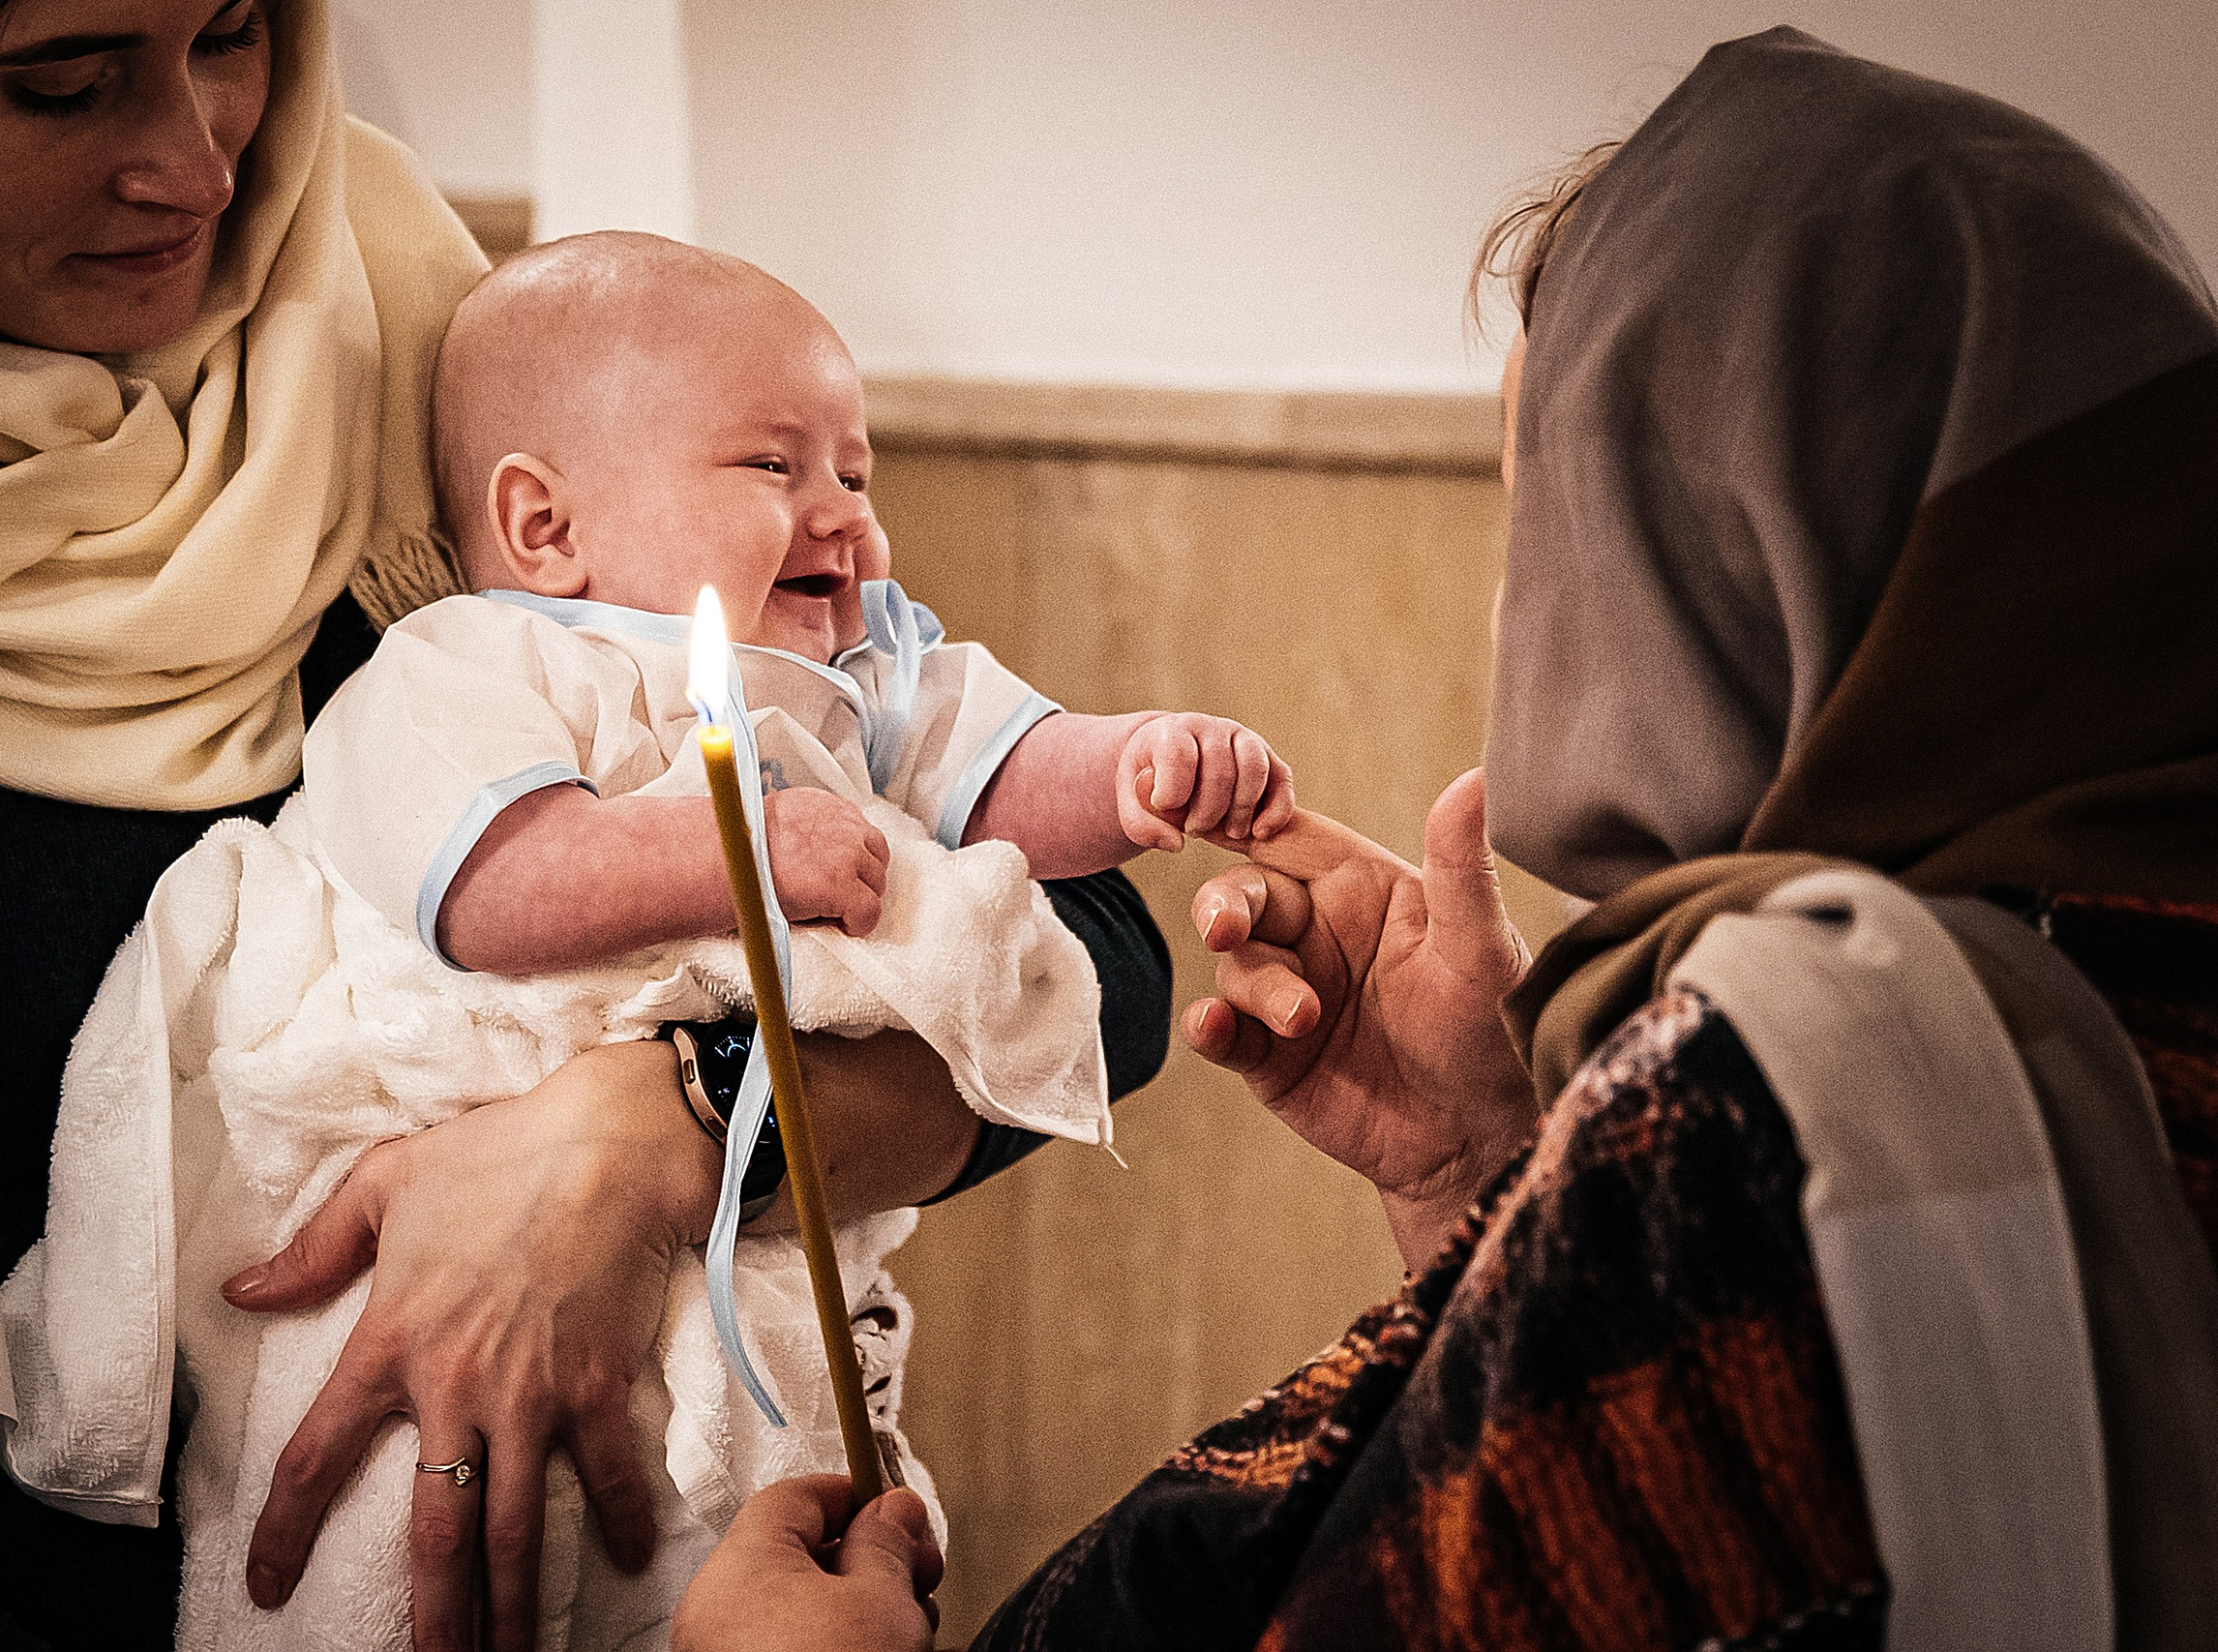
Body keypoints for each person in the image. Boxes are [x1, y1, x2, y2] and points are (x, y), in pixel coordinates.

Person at [669, 27, 2218, 1651]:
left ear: (1742, 551)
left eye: (1547, 522)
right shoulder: (2100, 979)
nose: (1520, 610)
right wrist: (1492, 1178)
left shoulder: (1807, 1102)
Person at [0, 5, 1173, 1649]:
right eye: (62, 84)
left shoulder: (421, 352)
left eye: (228, 35)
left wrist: (653, 1136)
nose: (201, 160)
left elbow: (1084, 951)